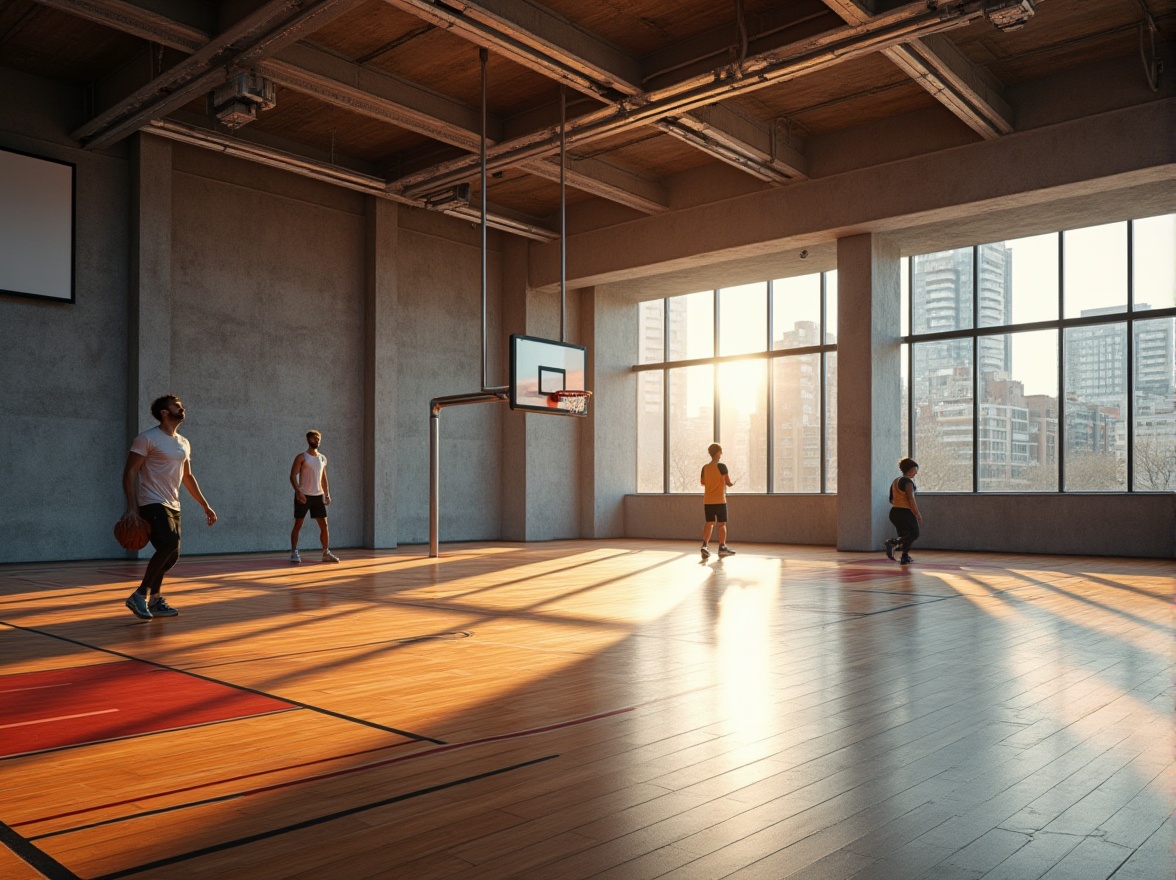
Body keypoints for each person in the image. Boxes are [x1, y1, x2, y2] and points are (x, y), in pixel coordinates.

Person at [119, 395, 217, 619]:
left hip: (173, 503)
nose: (182, 408)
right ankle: (140, 594)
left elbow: (188, 477)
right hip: (150, 501)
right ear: (164, 412)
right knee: (170, 544)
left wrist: (205, 505)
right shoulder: (146, 439)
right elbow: (130, 472)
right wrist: (132, 507)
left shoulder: (183, 442)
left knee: (172, 555)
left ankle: (154, 600)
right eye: (177, 406)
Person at [290, 430, 339, 564]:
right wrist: (298, 492)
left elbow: (323, 477)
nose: (316, 441)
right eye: (313, 439)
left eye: (318, 439)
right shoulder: (302, 457)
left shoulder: (322, 458)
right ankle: (294, 552)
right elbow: (293, 476)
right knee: (298, 524)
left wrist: (327, 494)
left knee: (324, 525)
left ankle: (325, 553)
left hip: (318, 496)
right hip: (304, 496)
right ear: (308, 440)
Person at [700, 442, 736, 560]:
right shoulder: (722, 466)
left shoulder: (705, 468)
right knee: (722, 524)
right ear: (717, 453)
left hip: (708, 501)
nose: (721, 454)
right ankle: (722, 547)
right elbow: (728, 482)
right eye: (720, 451)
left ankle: (705, 546)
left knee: (709, 523)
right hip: (720, 500)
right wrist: (733, 483)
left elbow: (703, 482)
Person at [885, 457, 922, 565]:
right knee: (914, 533)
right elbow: (911, 499)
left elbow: (891, 499)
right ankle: (893, 543)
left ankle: (904, 556)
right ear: (910, 470)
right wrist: (917, 513)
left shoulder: (895, 481)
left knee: (905, 534)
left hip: (894, 512)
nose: (916, 473)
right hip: (905, 512)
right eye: (915, 470)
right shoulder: (908, 482)